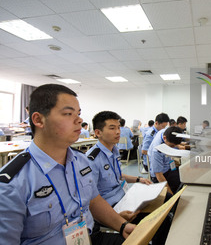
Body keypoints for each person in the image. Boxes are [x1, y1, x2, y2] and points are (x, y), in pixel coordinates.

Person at [0, 84, 135, 244]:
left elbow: (94, 200)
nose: (79, 120)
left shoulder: (81, 161)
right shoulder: (11, 184)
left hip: (88, 237)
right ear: (38, 120)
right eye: (68, 113)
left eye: (78, 114)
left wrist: (122, 225)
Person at [86, 111, 152, 213]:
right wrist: (116, 217)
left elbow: (118, 176)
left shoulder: (114, 150)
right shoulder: (92, 159)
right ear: (98, 133)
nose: (118, 132)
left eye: (119, 127)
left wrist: (139, 179)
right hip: (111, 206)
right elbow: (90, 198)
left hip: (124, 196)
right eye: (112, 128)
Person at [148, 126, 184, 195]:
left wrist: (178, 146)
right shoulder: (157, 150)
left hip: (168, 166)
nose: (173, 148)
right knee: (175, 189)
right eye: (171, 146)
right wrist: (171, 196)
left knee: (182, 179)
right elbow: (159, 175)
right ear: (164, 138)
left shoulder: (166, 132)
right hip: (160, 175)